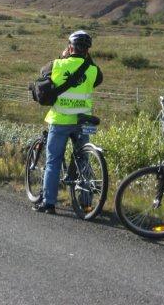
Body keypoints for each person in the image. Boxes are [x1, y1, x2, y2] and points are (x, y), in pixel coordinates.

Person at [33, 30, 103, 213]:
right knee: (84, 159)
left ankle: (49, 203)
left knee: (53, 161)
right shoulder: (93, 69)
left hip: (61, 120)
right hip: (83, 121)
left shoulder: (57, 65)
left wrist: (62, 57)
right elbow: (98, 80)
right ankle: (86, 202)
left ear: (70, 47)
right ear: (88, 51)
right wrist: (87, 61)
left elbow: (42, 72)